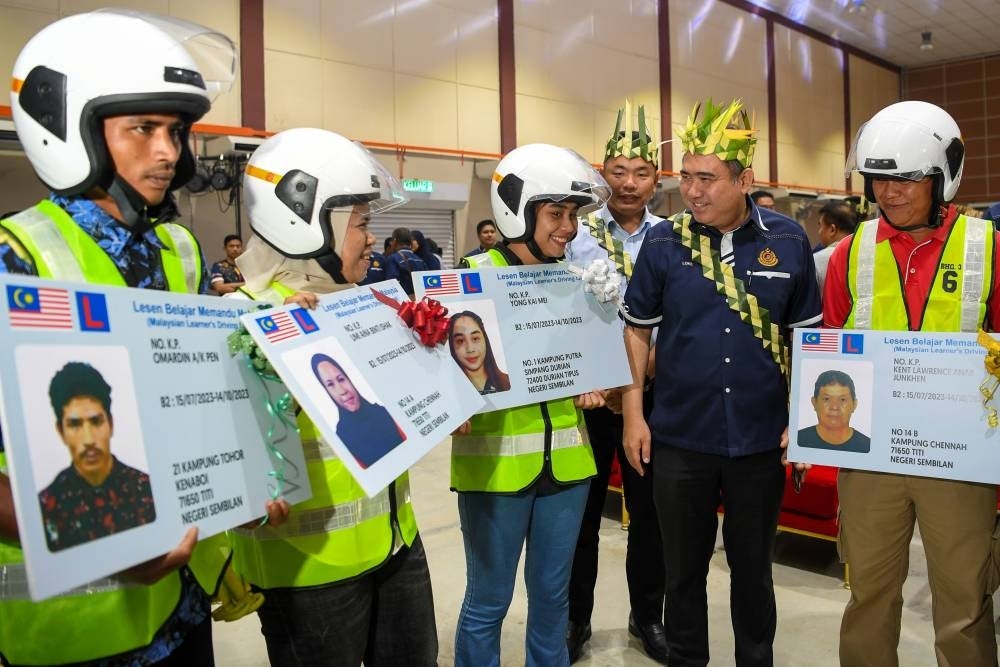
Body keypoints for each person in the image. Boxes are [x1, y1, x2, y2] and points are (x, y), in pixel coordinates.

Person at [0, 10, 279, 666]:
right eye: (144, 128)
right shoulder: (15, 258)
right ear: (68, 130)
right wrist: (98, 537)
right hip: (72, 632)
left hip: (181, 607)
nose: (169, 151)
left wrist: (240, 474)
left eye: (176, 131)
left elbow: (191, 396)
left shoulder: (177, 248)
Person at [621, 98, 822, 667]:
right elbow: (637, 332)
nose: (692, 191)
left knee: (753, 571)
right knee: (682, 571)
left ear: (745, 179)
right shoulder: (664, 244)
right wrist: (635, 415)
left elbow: (809, 339)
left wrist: (803, 426)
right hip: (680, 437)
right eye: (685, 177)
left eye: (707, 178)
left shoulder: (787, 241)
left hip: (760, 441)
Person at [229, 127, 438, 666]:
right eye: (361, 224)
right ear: (303, 223)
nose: (371, 238)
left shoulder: (361, 305)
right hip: (311, 571)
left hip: (396, 540)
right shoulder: (249, 321)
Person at [829, 100, 1000, 667]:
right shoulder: (847, 255)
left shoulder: (990, 249)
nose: (890, 193)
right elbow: (830, 348)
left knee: (963, 604)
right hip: (873, 456)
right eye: (880, 179)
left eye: (907, 179)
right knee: (868, 596)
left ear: (942, 176)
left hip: (960, 458)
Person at [452, 143, 610, 667]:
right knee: (489, 602)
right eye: (556, 214)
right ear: (517, 210)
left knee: (551, 601)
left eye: (573, 216)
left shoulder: (574, 281)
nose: (568, 227)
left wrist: (594, 386)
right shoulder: (468, 280)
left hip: (567, 465)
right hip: (496, 470)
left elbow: (591, 367)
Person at [563, 99, 667, 664]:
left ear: (657, 178)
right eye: (619, 171)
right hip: (587, 397)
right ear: (602, 171)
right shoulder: (574, 232)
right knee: (579, 518)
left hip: (649, 402)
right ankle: (576, 618)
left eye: (641, 172)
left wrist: (659, 356)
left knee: (650, 516)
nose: (629, 183)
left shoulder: (674, 237)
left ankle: (647, 615)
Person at [40, 362, 156, 552]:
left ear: (110, 423)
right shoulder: (48, 507)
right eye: (75, 424)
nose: (88, 439)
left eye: (96, 421)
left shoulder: (146, 490)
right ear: (61, 431)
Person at [310, 353, 406, 468]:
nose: (341, 391)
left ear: (349, 379)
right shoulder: (342, 438)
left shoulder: (383, 412)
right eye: (330, 385)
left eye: (341, 379)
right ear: (326, 391)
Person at [797, 370, 870, 453]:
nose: (834, 407)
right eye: (826, 399)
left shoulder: (867, 447)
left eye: (842, 400)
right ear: (814, 403)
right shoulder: (797, 440)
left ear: (854, 404)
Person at [447, 310, 511, 394]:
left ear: (485, 340)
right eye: (460, 341)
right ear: (451, 346)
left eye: (475, 338)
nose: (470, 349)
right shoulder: (449, 391)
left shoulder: (508, 383)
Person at [813, 200, 857, 290]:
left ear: (832, 230)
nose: (819, 231)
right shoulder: (868, 254)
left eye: (821, 226)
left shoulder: (817, 260)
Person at [384, 226, 427, 297]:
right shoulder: (420, 259)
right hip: (419, 302)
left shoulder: (393, 258)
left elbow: (391, 285)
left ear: (394, 241)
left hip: (403, 304)